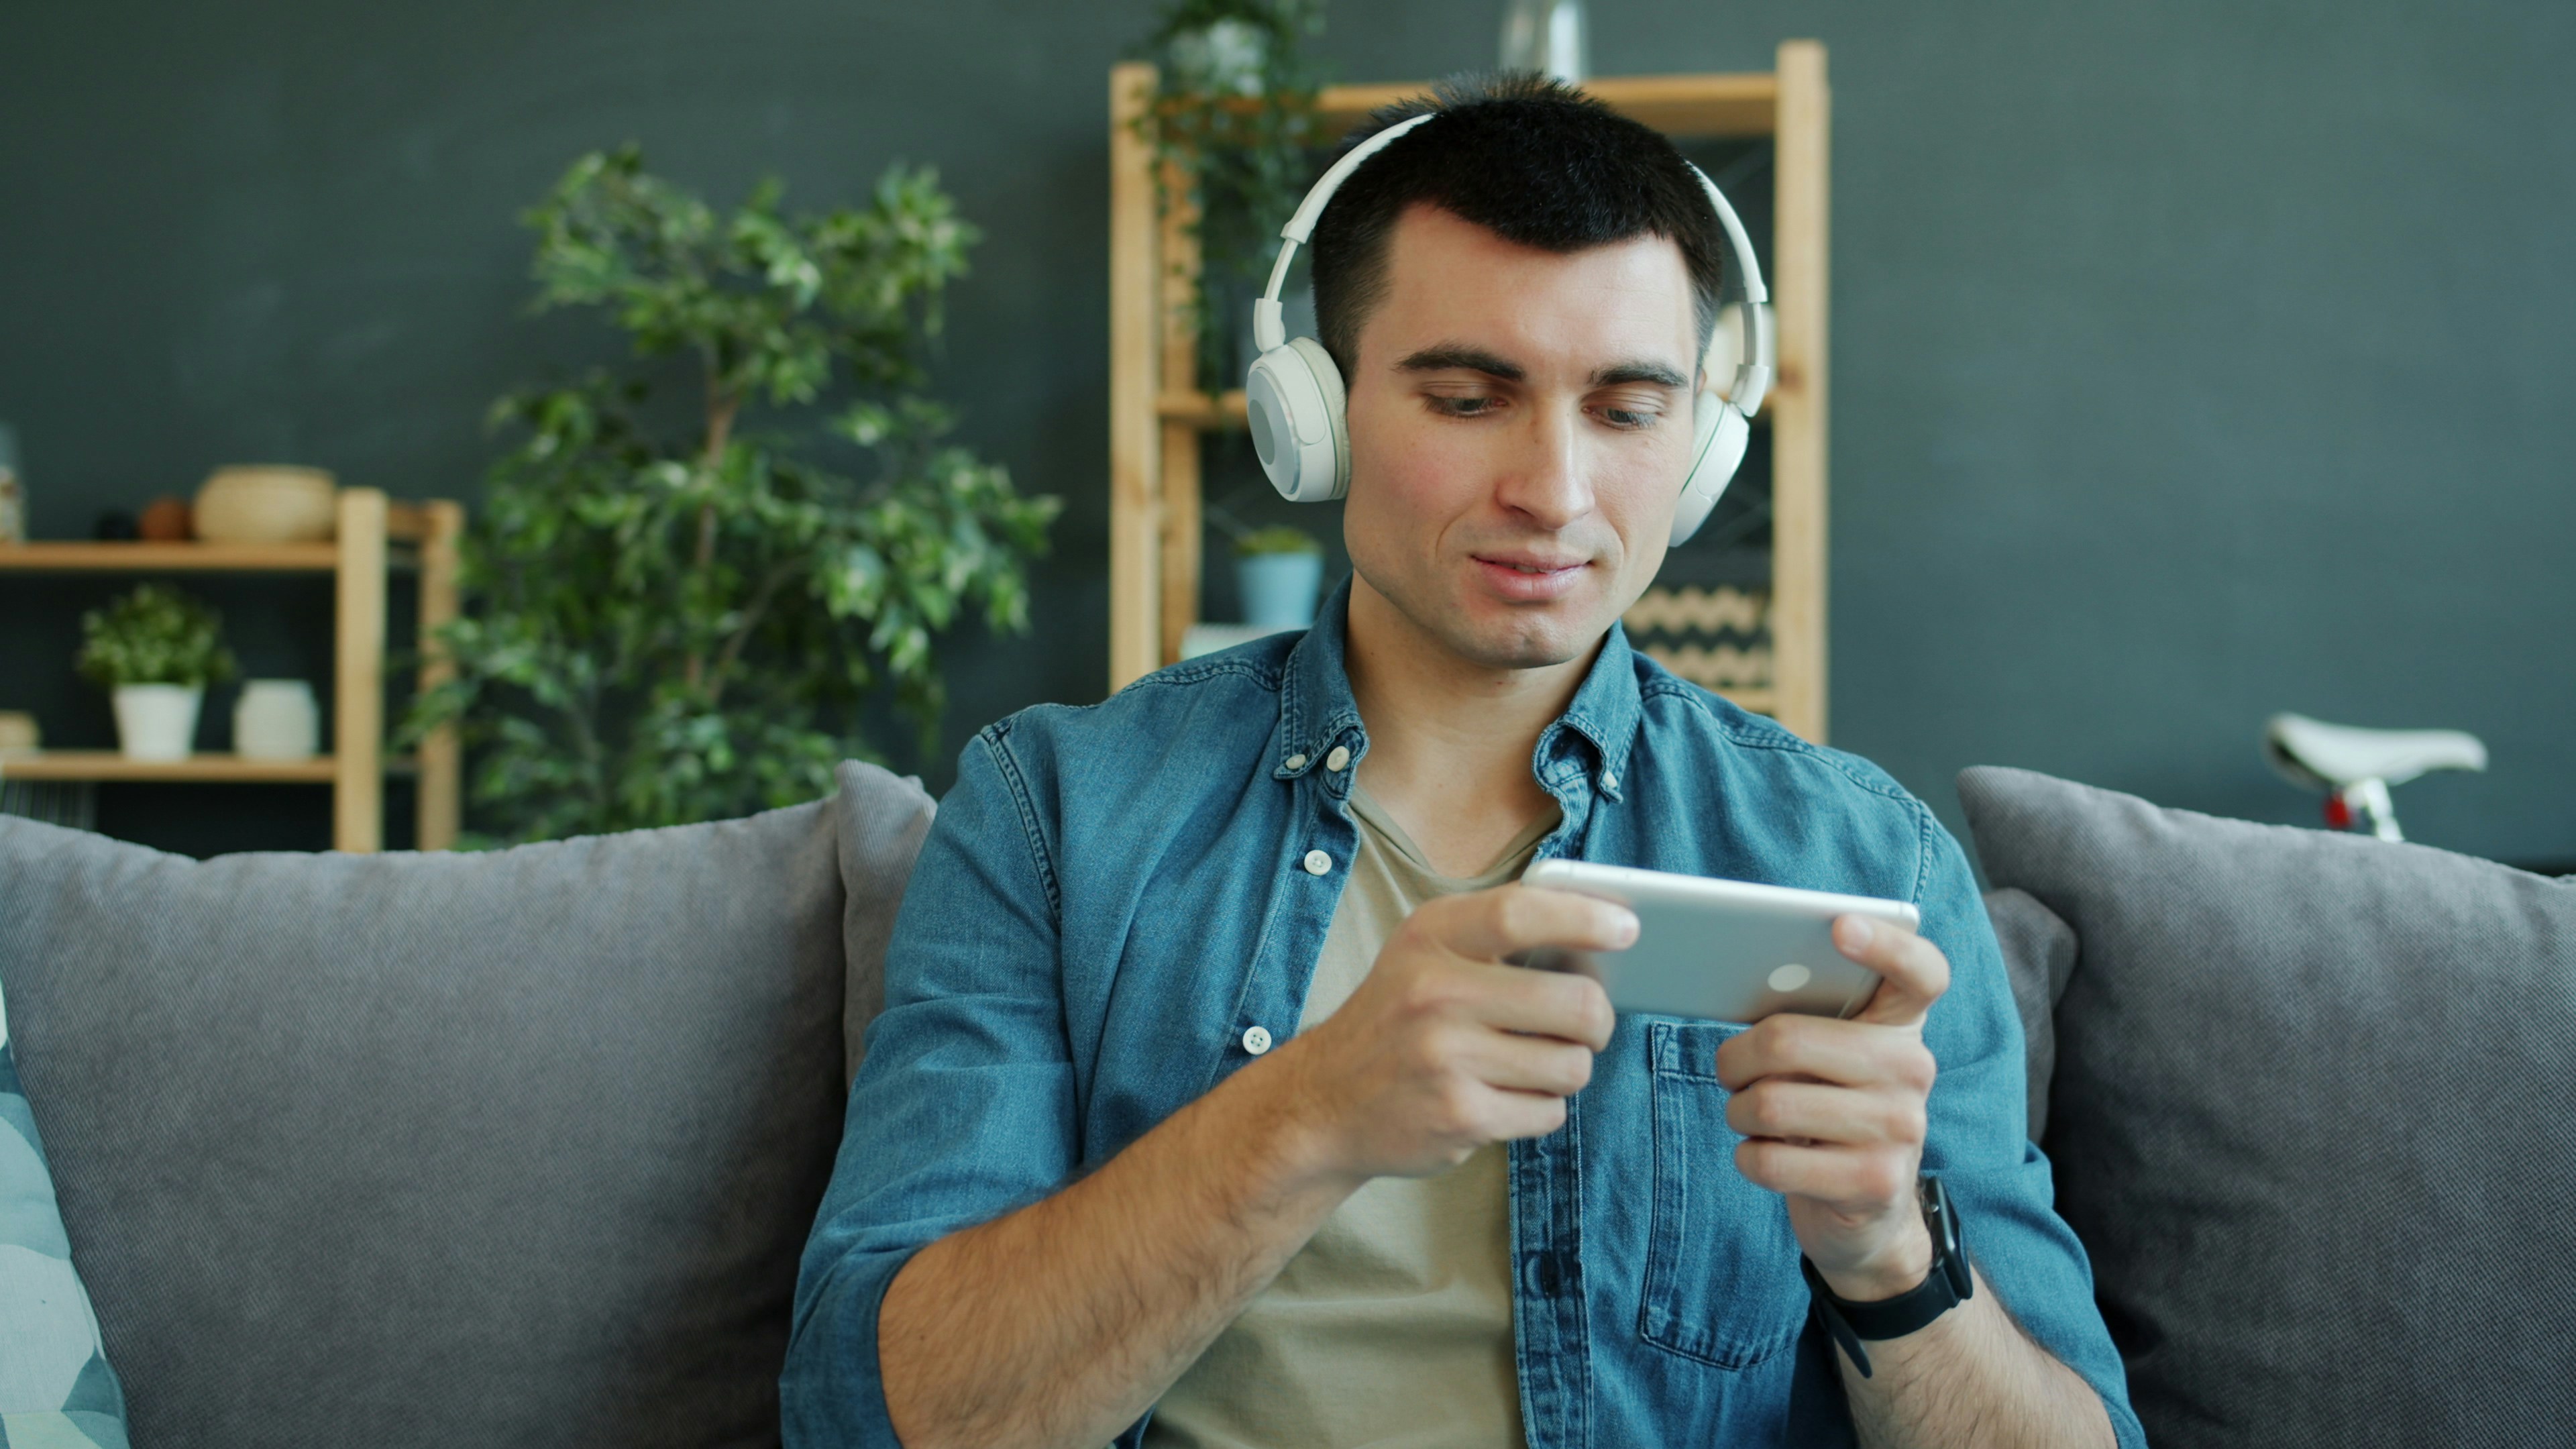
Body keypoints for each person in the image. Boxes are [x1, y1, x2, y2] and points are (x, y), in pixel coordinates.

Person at [783, 72, 2143, 1449]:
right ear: (1312, 415)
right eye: (1470, 398)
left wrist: (1889, 1262)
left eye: (1625, 411)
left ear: (1704, 447)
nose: (1553, 492)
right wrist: (1308, 1114)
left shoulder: (1864, 864)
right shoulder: (1053, 814)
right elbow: (870, 1418)